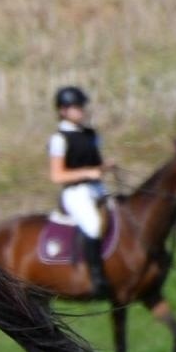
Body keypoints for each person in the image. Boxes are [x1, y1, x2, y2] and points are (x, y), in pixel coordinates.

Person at [48, 84, 115, 301]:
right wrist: (89, 172)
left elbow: (94, 163)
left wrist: (104, 167)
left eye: (81, 106)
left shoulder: (91, 134)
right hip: (76, 193)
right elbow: (57, 176)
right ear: (63, 111)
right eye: (75, 107)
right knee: (94, 226)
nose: (81, 110)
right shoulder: (59, 139)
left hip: (97, 188)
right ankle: (96, 279)